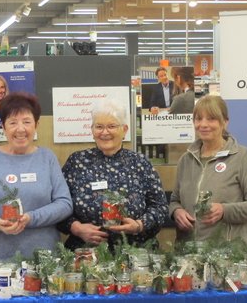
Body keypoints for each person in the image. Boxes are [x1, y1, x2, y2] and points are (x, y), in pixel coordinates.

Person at [0, 92, 73, 265]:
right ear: (3, 127)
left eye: (27, 122)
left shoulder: (47, 158)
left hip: (42, 259)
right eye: (12, 122)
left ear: (36, 125)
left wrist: (31, 218)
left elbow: (64, 203)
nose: (20, 129)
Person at [58, 98, 168, 251]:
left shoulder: (140, 163)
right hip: (86, 254)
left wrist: (139, 225)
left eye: (111, 126)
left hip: (135, 253)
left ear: (125, 129)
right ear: (92, 130)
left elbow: (160, 208)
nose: (105, 132)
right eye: (99, 126)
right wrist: (76, 228)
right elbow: (59, 205)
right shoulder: (77, 162)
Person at [169, 95, 247, 245]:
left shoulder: (243, 157)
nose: (203, 124)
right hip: (188, 253)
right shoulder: (186, 160)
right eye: (198, 119)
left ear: (225, 122)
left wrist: (224, 211)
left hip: (228, 255)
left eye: (211, 119)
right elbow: (175, 200)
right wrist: (176, 212)